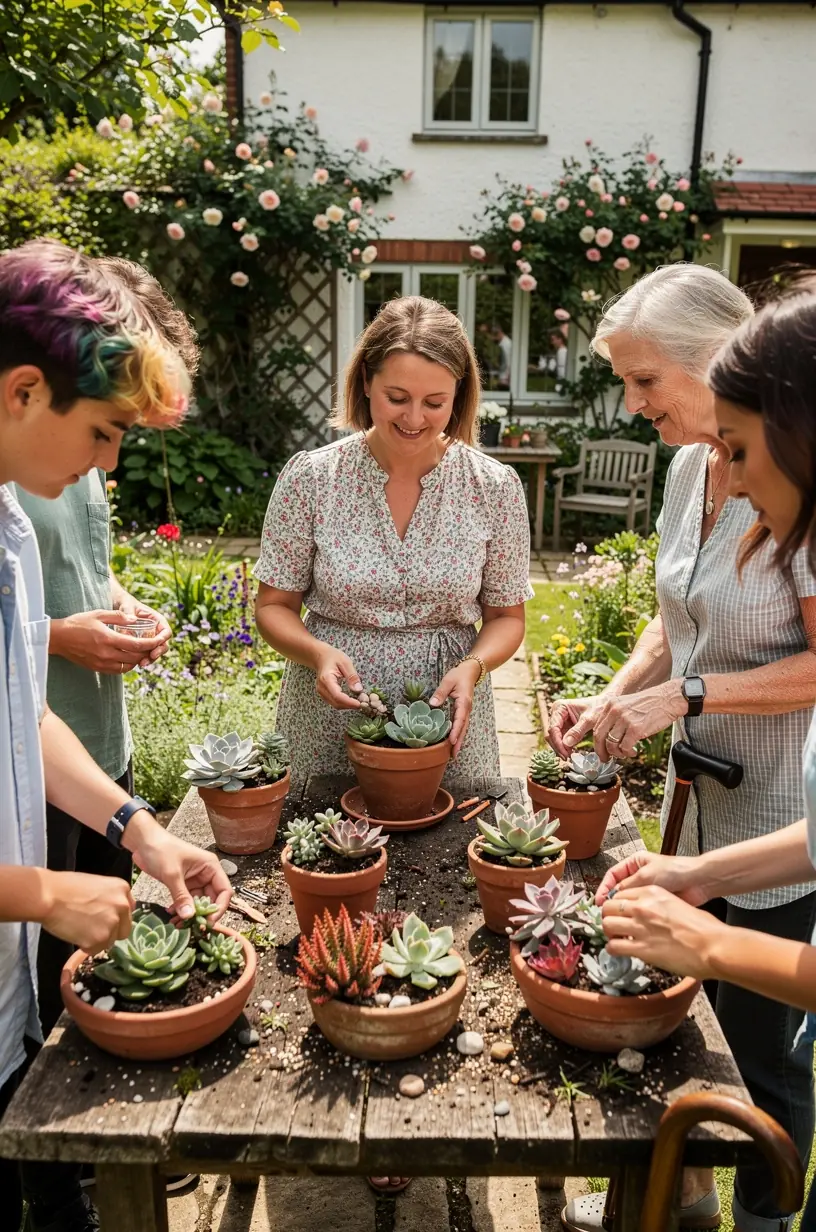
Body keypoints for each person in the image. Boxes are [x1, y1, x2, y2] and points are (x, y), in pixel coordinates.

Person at [549, 265, 816, 1232]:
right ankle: (676, 1196)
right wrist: (617, 695)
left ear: (717, 360)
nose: (634, 402)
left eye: (646, 379)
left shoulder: (797, 477)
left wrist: (690, 692)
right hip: (699, 801)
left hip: (787, 806)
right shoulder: (688, 470)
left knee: (762, 1047)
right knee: (676, 1022)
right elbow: (677, 622)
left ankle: (762, 1217)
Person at [254, 296, 533, 1191]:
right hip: (331, 704)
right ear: (363, 386)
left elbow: (507, 617)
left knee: (442, 889)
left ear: (463, 397)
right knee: (333, 889)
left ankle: (422, 1073)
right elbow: (271, 605)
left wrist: (474, 669)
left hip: (449, 712)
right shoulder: (312, 476)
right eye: (395, 397)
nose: (414, 418)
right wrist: (318, 648)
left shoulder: (495, 486)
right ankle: (335, 1066)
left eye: (435, 402)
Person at [0, 240, 231, 1232]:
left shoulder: (9, 524)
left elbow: (21, 710)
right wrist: (45, 891)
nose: (109, 461)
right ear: (20, 391)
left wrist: (138, 825)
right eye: (101, 431)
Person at [491, 323, 512, 389]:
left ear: (499, 333)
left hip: (505, 376)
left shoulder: (505, 345)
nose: (492, 338)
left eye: (494, 336)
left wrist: (504, 377)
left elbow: (507, 362)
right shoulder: (503, 343)